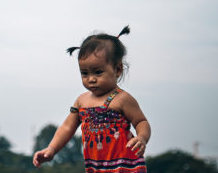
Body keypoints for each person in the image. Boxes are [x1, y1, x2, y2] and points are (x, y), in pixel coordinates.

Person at [33, 26, 151, 172]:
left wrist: (142, 138)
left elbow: (141, 122)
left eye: (98, 72)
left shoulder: (122, 99)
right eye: (85, 73)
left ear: (117, 70)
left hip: (125, 166)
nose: (91, 79)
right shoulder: (81, 101)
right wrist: (52, 149)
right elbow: (67, 127)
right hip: (95, 167)